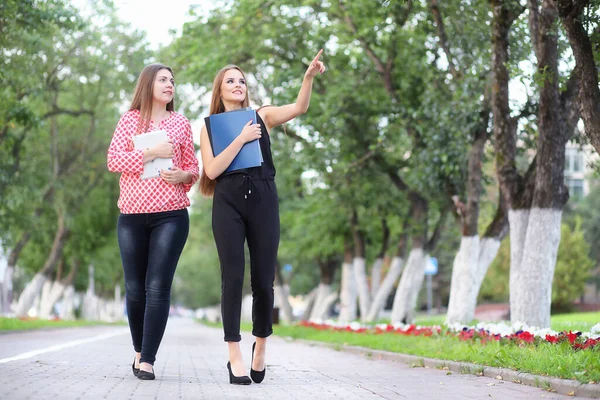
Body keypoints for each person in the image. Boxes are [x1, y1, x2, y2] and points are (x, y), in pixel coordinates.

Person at [199, 50, 326, 385]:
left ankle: (261, 347)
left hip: (264, 199)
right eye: (230, 81)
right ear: (220, 90)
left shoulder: (261, 115)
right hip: (227, 202)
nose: (238, 84)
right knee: (232, 277)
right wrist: (240, 139)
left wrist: (308, 77)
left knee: (263, 281)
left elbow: (299, 108)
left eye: (242, 80)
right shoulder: (210, 127)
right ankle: (234, 355)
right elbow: (211, 170)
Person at [107, 63, 199, 380]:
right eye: (163, 79)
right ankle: (137, 350)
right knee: (135, 289)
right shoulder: (130, 121)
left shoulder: (181, 123)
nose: (169, 84)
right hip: (131, 217)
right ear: (148, 84)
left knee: (157, 287)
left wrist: (183, 175)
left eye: (172, 80)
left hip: (171, 216)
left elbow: (193, 170)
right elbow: (113, 160)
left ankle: (147, 360)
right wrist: (151, 152)